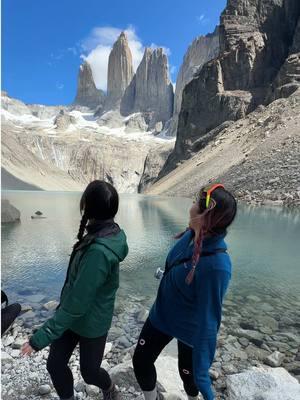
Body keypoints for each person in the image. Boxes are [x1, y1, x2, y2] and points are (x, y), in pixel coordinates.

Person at [21, 180, 129, 400]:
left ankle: (109, 389)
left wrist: (39, 338)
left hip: (92, 322)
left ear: (87, 207)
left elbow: (78, 302)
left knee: (89, 373)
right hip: (73, 317)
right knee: (55, 364)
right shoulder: (104, 234)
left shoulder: (99, 251)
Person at [133, 184, 237, 400]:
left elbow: (209, 321)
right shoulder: (192, 234)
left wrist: (205, 383)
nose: (190, 207)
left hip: (189, 328)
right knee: (141, 361)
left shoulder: (218, 267)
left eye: (194, 204)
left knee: (188, 377)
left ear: (205, 216)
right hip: (161, 315)